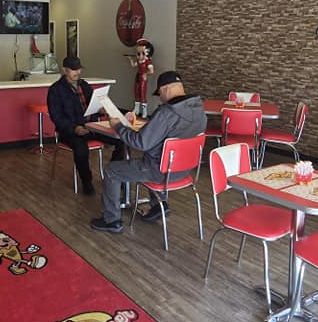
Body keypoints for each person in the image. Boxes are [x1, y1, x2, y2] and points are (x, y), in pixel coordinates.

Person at [90, 70, 207, 233]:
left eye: (159, 93)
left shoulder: (167, 113)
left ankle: (112, 221)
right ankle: (160, 205)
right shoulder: (199, 110)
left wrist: (118, 126)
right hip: (185, 170)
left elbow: (140, 143)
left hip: (160, 172)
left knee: (111, 170)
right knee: (157, 156)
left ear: (165, 89)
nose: (160, 98)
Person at [46, 56, 124, 195]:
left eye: (79, 69)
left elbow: (93, 105)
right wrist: (74, 128)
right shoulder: (56, 90)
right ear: (65, 70)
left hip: (91, 126)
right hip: (69, 131)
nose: (77, 72)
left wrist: (101, 109)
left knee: (121, 140)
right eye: (73, 69)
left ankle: (114, 174)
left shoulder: (85, 85)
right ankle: (86, 181)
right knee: (81, 149)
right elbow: (56, 117)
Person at [128, 38, 154, 119]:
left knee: (142, 93)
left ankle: (144, 111)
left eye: (142, 53)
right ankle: (136, 110)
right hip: (137, 77)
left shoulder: (148, 62)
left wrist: (145, 73)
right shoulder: (139, 61)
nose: (140, 55)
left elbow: (151, 71)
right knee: (136, 92)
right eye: (138, 53)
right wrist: (130, 60)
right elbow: (133, 65)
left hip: (143, 78)